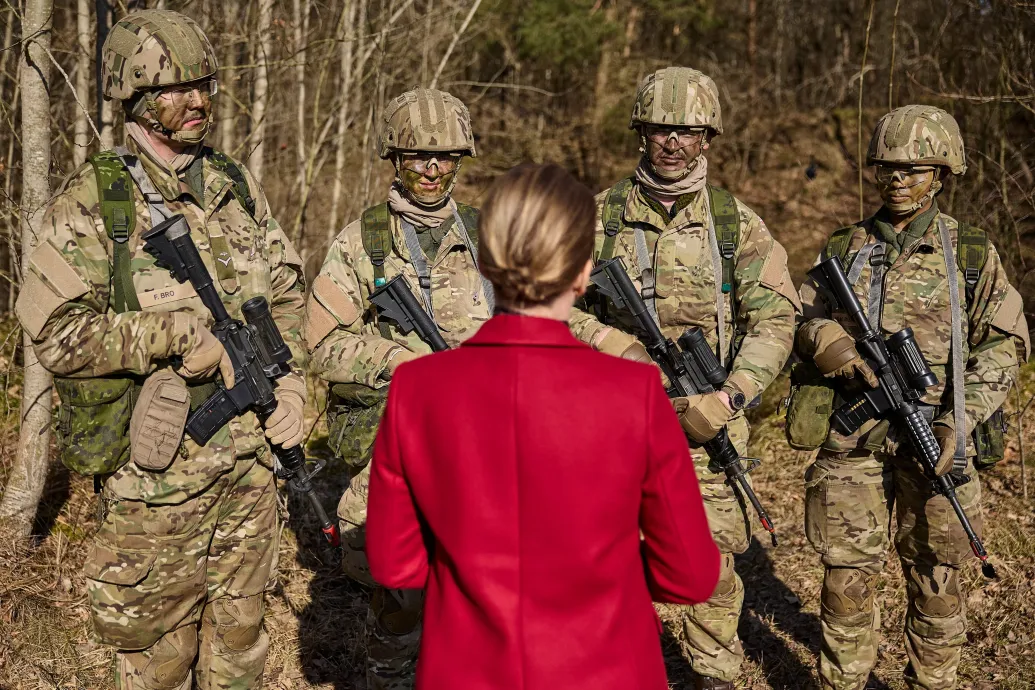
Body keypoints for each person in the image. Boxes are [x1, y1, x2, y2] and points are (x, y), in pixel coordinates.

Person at [13, 9, 306, 689]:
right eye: (175, 89)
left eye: (202, 84)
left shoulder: (235, 187)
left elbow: (287, 294)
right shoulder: (95, 201)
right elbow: (54, 333)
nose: (197, 100)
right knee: (154, 666)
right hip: (156, 491)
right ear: (135, 98)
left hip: (250, 479)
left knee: (241, 652)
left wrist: (292, 386)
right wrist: (170, 334)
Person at [365, 162, 720, 690]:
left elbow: (395, 565)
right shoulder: (635, 395)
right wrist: (602, 573)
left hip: (465, 671)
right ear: (582, 271)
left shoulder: (418, 388)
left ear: (484, 264)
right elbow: (689, 575)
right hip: (607, 669)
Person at [568, 67, 801, 690]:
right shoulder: (597, 218)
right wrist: (612, 342)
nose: (673, 141)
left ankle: (713, 675)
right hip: (613, 427)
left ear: (707, 137)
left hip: (707, 423)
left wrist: (733, 394)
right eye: (661, 129)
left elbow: (776, 316)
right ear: (640, 132)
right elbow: (548, 307)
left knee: (712, 568)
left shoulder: (735, 223)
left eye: (688, 131)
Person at [794, 105, 1029, 690]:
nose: (898, 179)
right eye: (888, 168)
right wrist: (826, 341)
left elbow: (1006, 343)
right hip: (854, 444)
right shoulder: (844, 248)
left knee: (938, 581)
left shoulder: (970, 254)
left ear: (943, 173)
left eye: (916, 168)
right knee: (845, 581)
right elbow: (797, 316)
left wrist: (959, 421)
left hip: (938, 442)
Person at [304, 87, 492, 689]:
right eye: (417, 157)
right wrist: (401, 360)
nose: (432, 170)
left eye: (445, 158)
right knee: (398, 598)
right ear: (395, 158)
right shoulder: (362, 243)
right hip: (399, 452)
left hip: (482, 452)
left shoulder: (492, 238)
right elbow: (321, 343)